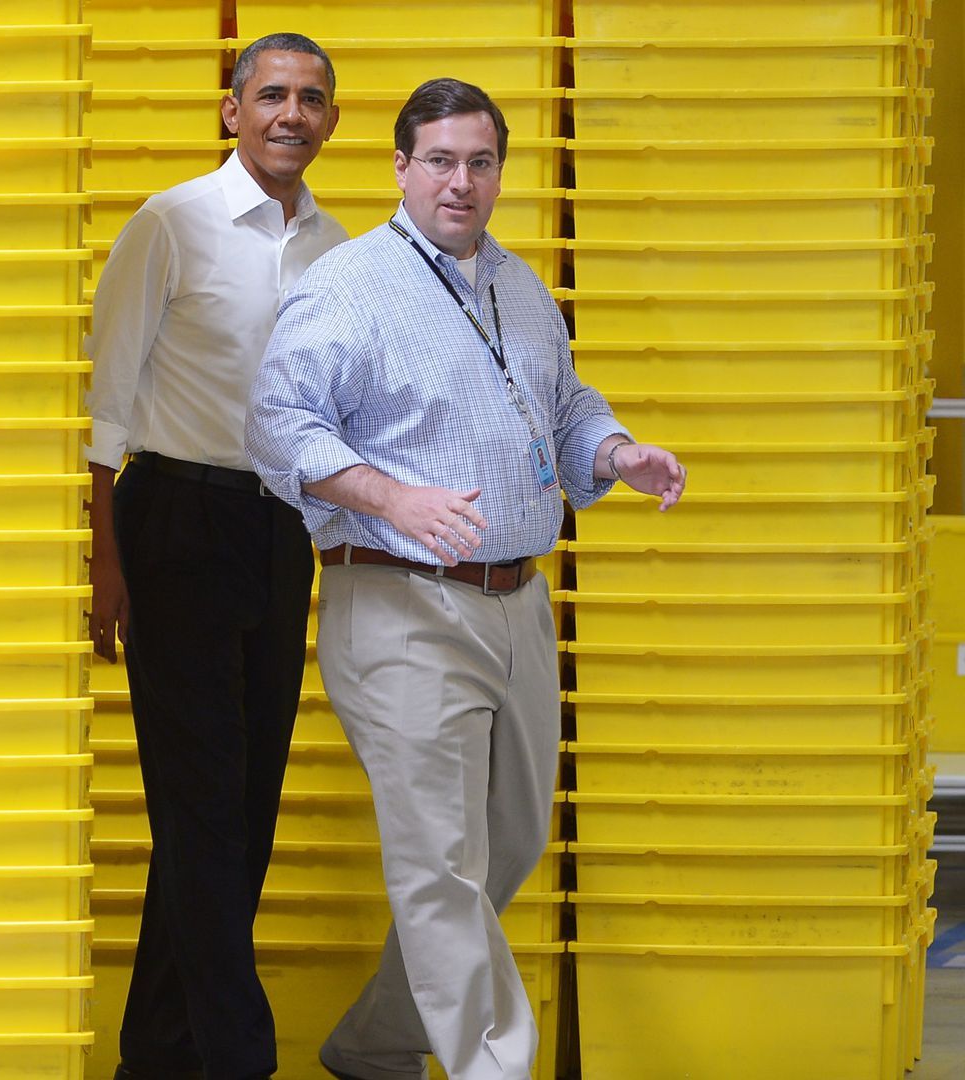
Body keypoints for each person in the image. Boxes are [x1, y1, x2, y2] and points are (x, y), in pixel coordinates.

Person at [245, 78, 686, 1080]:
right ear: (400, 166)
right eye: (439, 160)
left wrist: (616, 453)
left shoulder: (522, 289)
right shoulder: (348, 284)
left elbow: (567, 406)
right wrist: (394, 499)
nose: (461, 181)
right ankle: (494, 1067)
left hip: (519, 606)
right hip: (400, 605)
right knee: (442, 862)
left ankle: (375, 1045)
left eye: (480, 162)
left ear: (499, 172)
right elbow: (279, 425)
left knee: (505, 845)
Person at [86, 31, 349, 1080]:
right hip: (176, 525)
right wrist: (109, 560)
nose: (293, 112)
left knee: (242, 803)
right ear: (232, 111)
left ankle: (156, 1054)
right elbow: (106, 407)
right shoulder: (171, 224)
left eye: (313, 98)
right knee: (198, 806)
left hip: (278, 532)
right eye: (273, 94)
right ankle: (241, 1059)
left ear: (333, 120)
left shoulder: (340, 251)